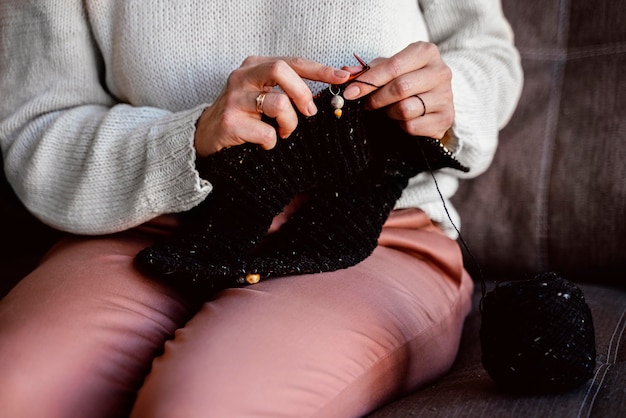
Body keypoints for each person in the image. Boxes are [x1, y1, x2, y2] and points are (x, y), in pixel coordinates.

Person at [0, 1, 522, 417]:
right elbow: (38, 124)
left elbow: (485, 53)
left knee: (206, 407)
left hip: (374, 236)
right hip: (140, 224)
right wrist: (190, 140)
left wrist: (445, 101)